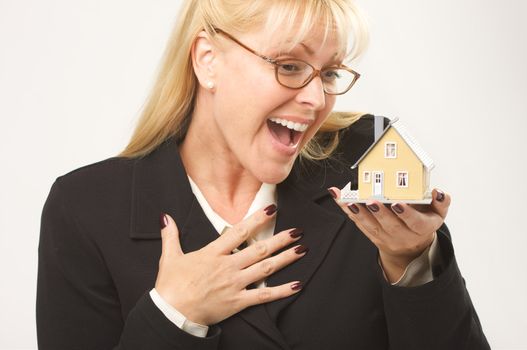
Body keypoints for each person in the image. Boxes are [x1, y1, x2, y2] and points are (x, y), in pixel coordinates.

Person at [36, 0, 490, 349]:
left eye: (329, 73)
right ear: (207, 60)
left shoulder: (366, 163)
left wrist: (412, 263)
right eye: (290, 66)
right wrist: (173, 315)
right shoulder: (85, 208)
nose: (316, 99)